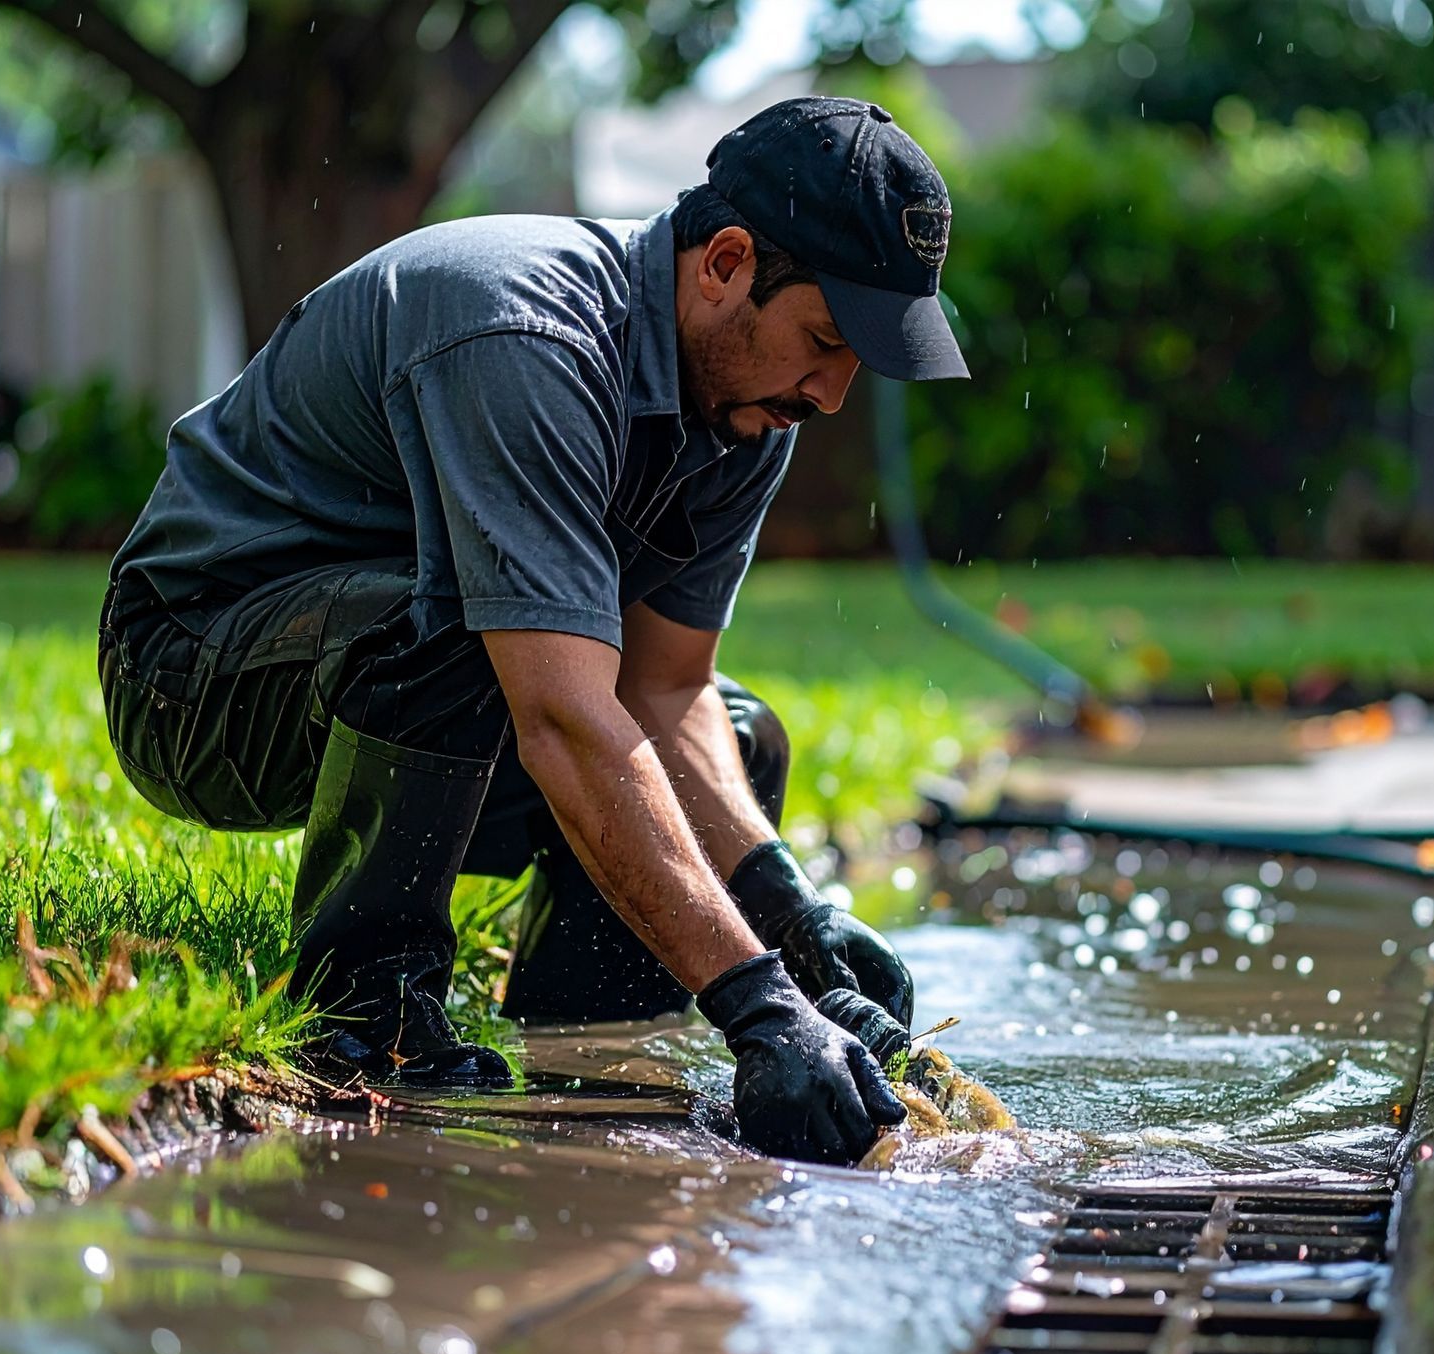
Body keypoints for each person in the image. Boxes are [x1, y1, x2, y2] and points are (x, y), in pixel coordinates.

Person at [96, 97, 970, 1166]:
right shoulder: (526, 332)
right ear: (725, 263)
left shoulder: (748, 405)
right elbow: (559, 713)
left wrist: (795, 918)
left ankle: (586, 1042)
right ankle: (369, 1020)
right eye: (826, 341)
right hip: (193, 669)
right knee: (475, 629)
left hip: (391, 663)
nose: (832, 393)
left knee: (739, 735)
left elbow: (667, 691)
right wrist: (762, 1005)